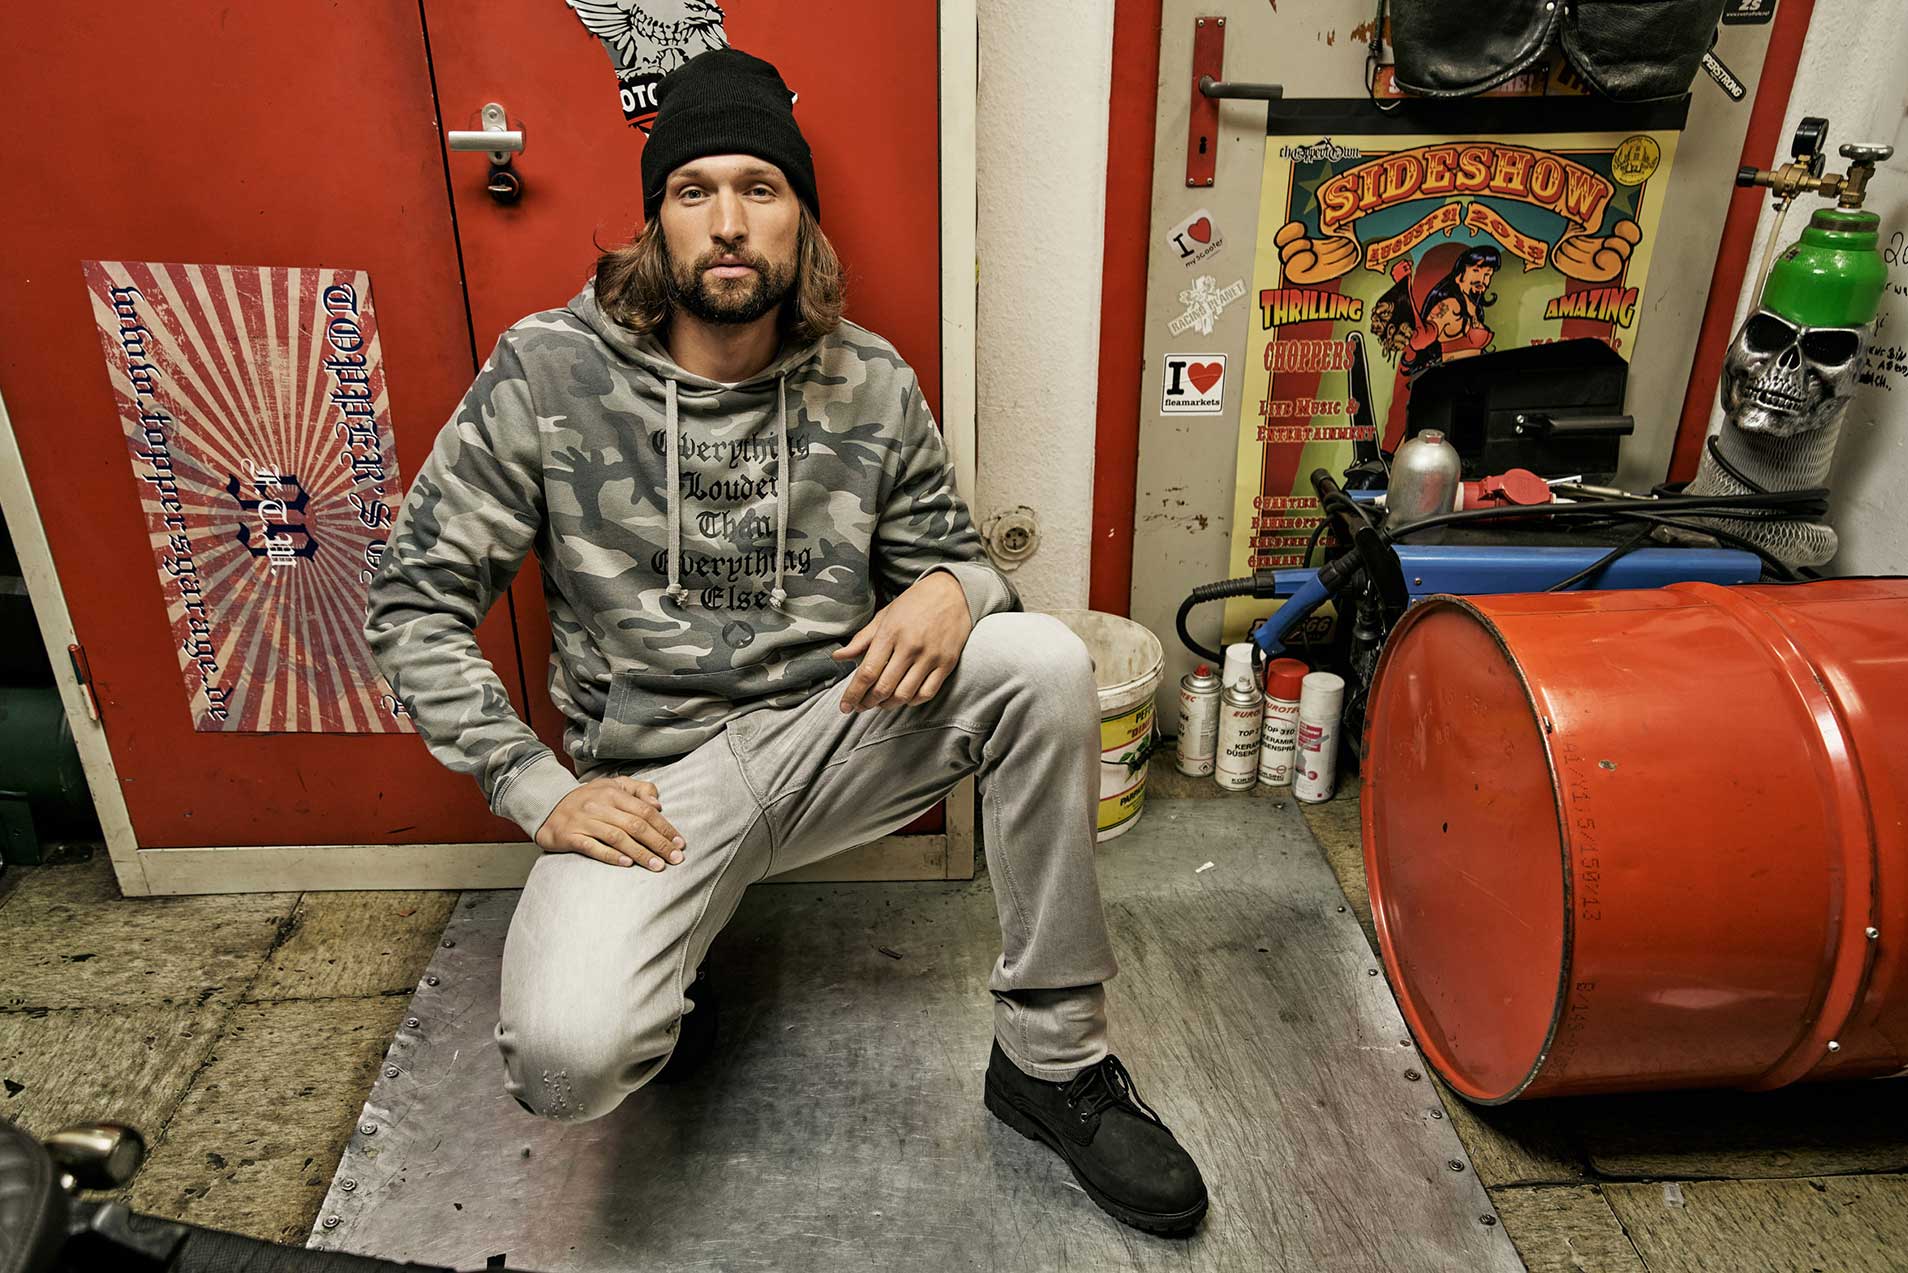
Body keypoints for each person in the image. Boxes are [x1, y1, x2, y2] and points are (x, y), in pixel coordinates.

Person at [363, 47, 1207, 1237]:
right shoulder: (548, 373)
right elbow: (410, 601)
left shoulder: (869, 381)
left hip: (833, 733)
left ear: (799, 219)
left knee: (1041, 663)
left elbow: (965, 561)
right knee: (566, 1060)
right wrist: (535, 786)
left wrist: (958, 587)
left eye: (758, 188)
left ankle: (1052, 1061)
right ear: (656, 221)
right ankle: (671, 953)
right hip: (651, 791)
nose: (726, 222)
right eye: (693, 190)